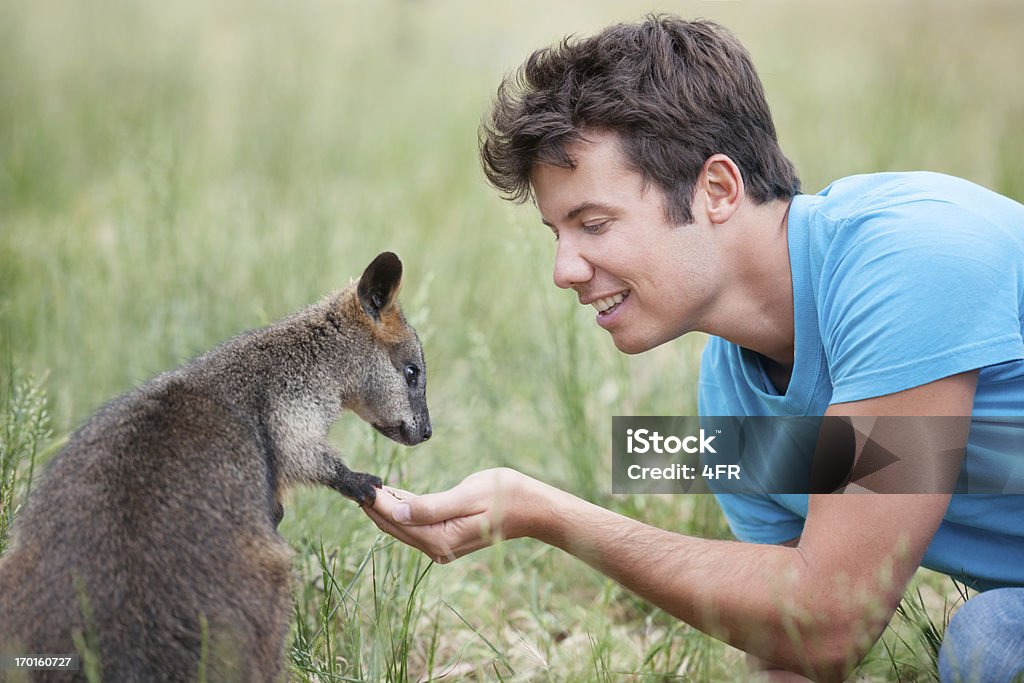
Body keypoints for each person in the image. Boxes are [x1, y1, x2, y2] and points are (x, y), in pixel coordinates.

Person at [365, 15, 1024, 682]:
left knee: (988, 645)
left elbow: (832, 615)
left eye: (593, 224)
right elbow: (795, 645)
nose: (563, 270)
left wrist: (546, 512)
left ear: (717, 190)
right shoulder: (730, 396)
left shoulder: (909, 259)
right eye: (555, 234)